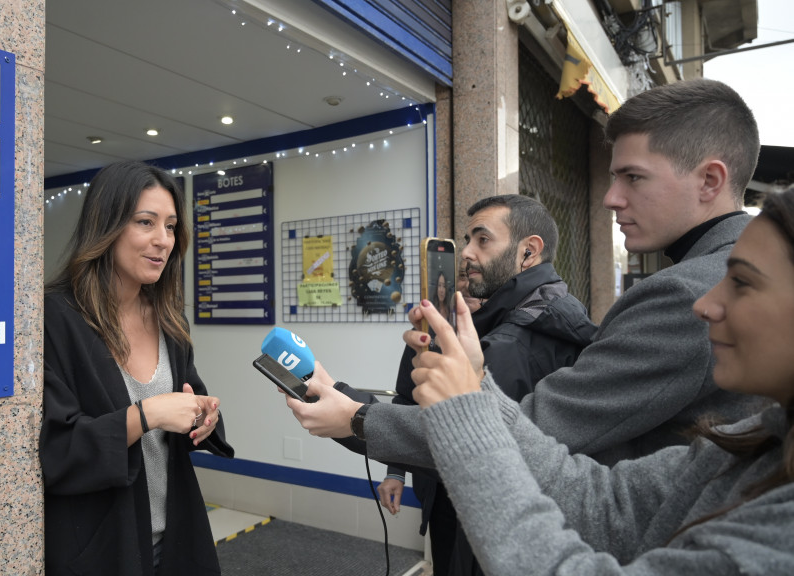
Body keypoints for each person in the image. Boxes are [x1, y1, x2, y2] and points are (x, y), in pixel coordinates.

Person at [289, 77, 766, 472]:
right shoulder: (719, 271)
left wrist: (356, 419)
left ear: (710, 180)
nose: (611, 198)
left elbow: (532, 428)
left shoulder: (685, 294)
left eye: (633, 177)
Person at [391, 186, 794, 576]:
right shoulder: (750, 447)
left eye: (743, 282)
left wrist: (460, 409)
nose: (705, 304)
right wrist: (475, 385)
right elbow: (602, 499)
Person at [378, 194, 596, 576]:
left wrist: (352, 415)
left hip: (485, 533)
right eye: (466, 240)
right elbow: (410, 393)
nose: (467, 255)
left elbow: (452, 434)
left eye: (482, 240)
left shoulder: (511, 344)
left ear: (528, 251)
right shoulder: (524, 316)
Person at [40, 161, 234, 576]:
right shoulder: (56, 319)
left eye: (169, 226)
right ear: (106, 225)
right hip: (101, 548)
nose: (162, 240)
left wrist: (204, 416)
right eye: (145, 223)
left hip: (174, 535)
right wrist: (147, 414)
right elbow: (57, 448)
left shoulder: (169, 320)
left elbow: (189, 400)